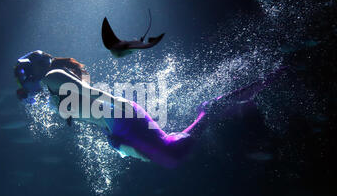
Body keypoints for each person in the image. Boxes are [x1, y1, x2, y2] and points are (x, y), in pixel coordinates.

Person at [14, 50, 280, 169]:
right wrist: (115, 143)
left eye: (26, 71)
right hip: (115, 130)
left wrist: (121, 109)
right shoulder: (50, 84)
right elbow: (78, 111)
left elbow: (93, 94)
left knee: (171, 156)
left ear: (38, 67)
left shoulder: (53, 75)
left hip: (122, 117)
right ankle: (209, 112)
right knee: (168, 155)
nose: (25, 76)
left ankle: (210, 109)